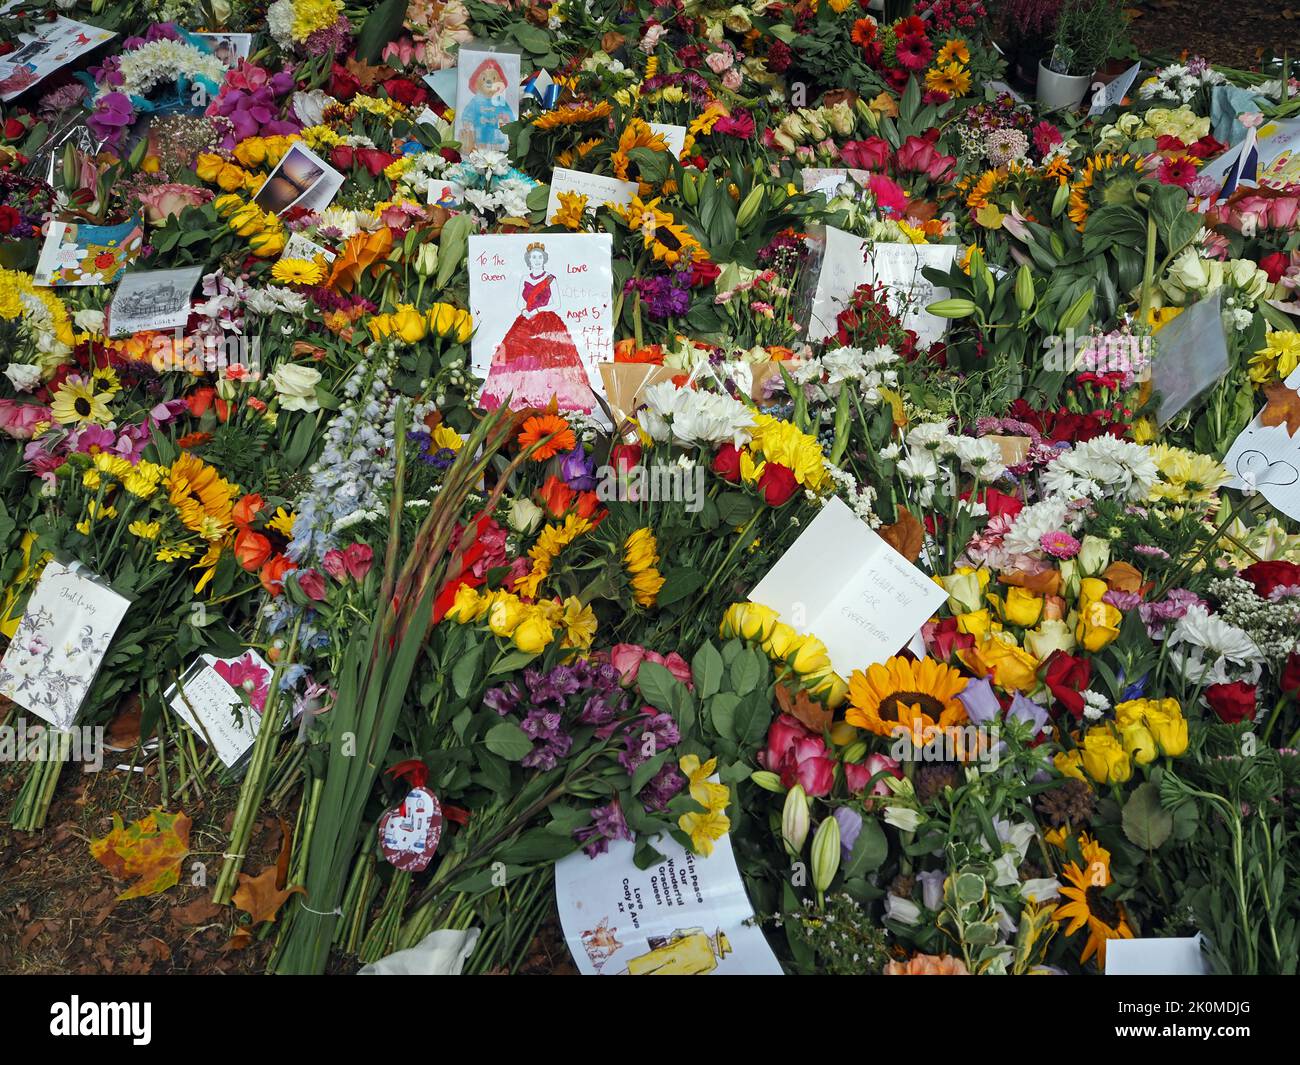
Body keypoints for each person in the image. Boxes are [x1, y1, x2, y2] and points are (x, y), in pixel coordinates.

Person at [479, 242, 595, 412]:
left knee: (550, 359)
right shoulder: (524, 278)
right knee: (515, 356)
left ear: (544, 259)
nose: (537, 259)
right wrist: (525, 310)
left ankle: (549, 398)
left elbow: (557, 303)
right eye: (534, 257)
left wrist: (539, 309)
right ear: (529, 260)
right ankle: (518, 398)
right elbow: (520, 301)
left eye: (540, 256)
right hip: (526, 319)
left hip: (546, 321)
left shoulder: (550, 279)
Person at [458, 57, 514, 153]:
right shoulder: (476, 101)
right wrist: (467, 121)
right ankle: (480, 154)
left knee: (497, 146)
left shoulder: (500, 100)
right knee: (480, 144)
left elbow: (508, 113)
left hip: (495, 130)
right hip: (480, 128)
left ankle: (496, 156)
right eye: (484, 78)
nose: (489, 81)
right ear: (476, 82)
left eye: (493, 78)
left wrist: (507, 119)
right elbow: (468, 111)